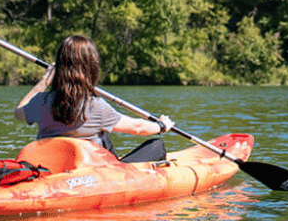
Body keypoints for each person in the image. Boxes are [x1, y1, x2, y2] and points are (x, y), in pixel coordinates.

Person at [14, 35, 173, 148]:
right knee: (156, 145)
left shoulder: (41, 102)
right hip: (90, 171)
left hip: (54, 168)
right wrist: (161, 126)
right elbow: (138, 128)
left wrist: (44, 81)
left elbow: (18, 112)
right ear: (90, 67)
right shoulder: (95, 106)